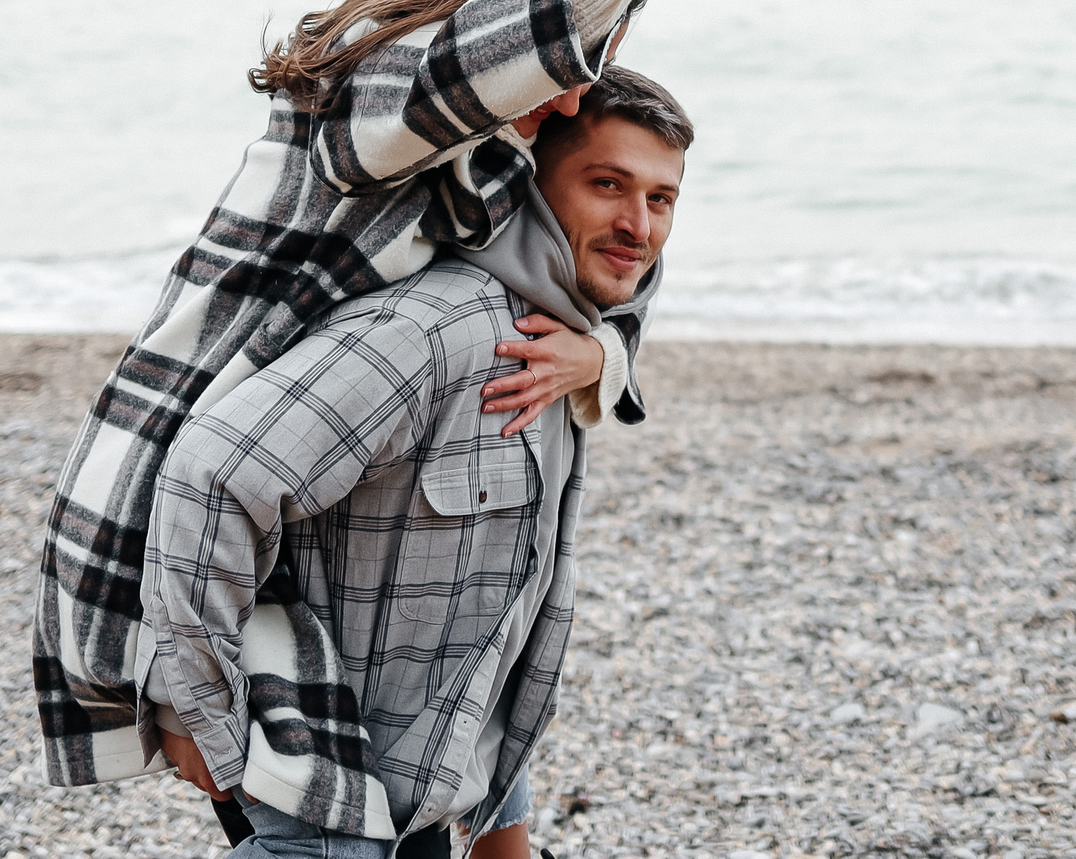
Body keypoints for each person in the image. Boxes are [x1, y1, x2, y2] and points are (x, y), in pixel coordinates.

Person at [34, 0, 760, 800]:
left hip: (288, 511)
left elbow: (603, 266)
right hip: (170, 516)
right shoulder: (376, 105)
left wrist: (609, 358)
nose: (580, 86)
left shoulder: (478, 163)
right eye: (572, 56)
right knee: (301, 815)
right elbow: (538, 32)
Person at [146, 67, 696, 856]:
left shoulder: (565, 333)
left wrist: (605, 356)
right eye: (607, 184)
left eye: (660, 198)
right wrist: (194, 708)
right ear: (531, 183)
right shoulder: (439, 330)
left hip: (429, 785)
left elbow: (490, 625)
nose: (637, 225)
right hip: (329, 783)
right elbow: (210, 472)